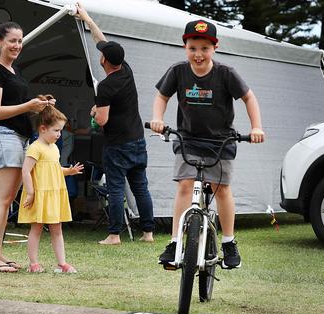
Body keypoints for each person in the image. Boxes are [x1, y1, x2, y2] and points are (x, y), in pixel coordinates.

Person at [150, 19, 265, 269]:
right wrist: (157, 118)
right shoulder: (178, 71)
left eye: (204, 48)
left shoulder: (226, 73)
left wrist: (256, 127)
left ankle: (228, 242)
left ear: (215, 47)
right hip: (188, 140)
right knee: (184, 186)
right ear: (185, 47)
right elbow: (161, 96)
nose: (198, 54)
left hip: (220, 142)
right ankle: (174, 242)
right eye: (193, 48)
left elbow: (249, 97)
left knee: (221, 189)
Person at [74, 3, 155, 245]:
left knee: (116, 188)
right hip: (138, 141)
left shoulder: (107, 86)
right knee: (141, 187)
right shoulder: (126, 70)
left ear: (104, 61)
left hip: (117, 145)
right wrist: (87, 19)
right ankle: (148, 234)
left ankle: (114, 235)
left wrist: (95, 110)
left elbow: (102, 120)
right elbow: (102, 40)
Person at [0, 21, 53, 272]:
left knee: (7, 199)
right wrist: (27, 107)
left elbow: (19, 105)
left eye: (20, 41)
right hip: (2, 135)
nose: (17, 45)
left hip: (17, 138)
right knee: (1, 199)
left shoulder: (13, 71)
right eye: (12, 40)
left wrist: (41, 104)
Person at [18, 95, 84, 273]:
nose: (59, 134)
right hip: (39, 194)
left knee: (57, 229)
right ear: (42, 128)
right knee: (36, 229)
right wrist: (30, 193)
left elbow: (53, 169)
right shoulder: (35, 147)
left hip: (53, 194)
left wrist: (68, 171)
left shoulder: (54, 148)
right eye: (56, 130)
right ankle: (34, 264)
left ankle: (62, 263)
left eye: (60, 131)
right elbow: (26, 171)